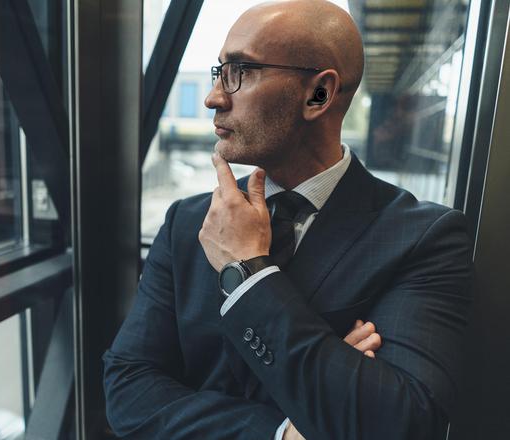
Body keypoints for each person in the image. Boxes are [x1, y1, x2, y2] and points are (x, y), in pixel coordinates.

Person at [103, 1, 473, 439]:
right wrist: (284, 429)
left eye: (240, 70)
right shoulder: (188, 221)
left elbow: (403, 420)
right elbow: (127, 389)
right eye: (218, 70)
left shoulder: (424, 238)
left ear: (319, 94)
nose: (214, 96)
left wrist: (249, 272)